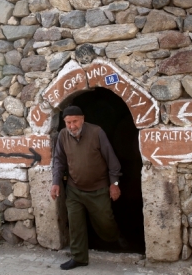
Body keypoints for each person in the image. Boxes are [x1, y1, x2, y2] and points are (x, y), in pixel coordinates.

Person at [50, 106, 123, 270]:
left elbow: (112, 160)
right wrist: (56, 182)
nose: (72, 126)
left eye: (75, 121)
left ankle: (115, 239)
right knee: (75, 225)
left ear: (82, 119)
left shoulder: (97, 132)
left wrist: (114, 184)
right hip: (74, 189)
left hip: (98, 189)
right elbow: (59, 161)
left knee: (105, 222)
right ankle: (79, 258)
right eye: (68, 122)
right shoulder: (62, 135)